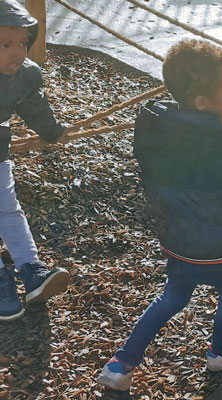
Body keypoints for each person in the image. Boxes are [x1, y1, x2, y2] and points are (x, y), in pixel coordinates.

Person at [97, 39, 222, 391]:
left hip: (175, 237)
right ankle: (221, 350)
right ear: (203, 103)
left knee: (172, 297)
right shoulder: (221, 147)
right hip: (219, 244)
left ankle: (121, 363)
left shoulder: (155, 128)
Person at [0, 0, 74, 321]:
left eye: (22, 43)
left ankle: (31, 269)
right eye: (5, 44)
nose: (17, 52)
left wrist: (53, 131)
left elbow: (35, 108)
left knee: (8, 209)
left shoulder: (24, 75)